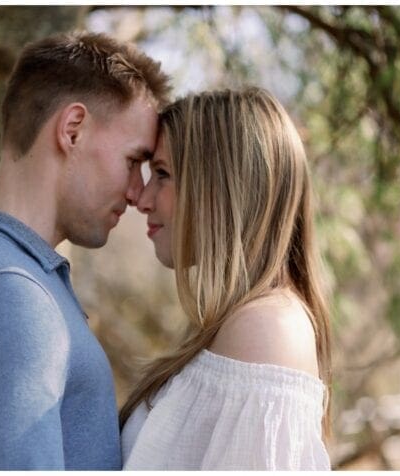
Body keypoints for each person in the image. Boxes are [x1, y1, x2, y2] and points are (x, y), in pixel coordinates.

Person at [0, 32, 171, 470]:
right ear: (73, 130)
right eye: (133, 161)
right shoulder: (5, 297)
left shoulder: (16, 279)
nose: (137, 191)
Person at [120, 87, 333, 470]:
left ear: (220, 186)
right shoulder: (238, 323)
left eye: (163, 174)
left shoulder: (270, 331)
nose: (143, 198)